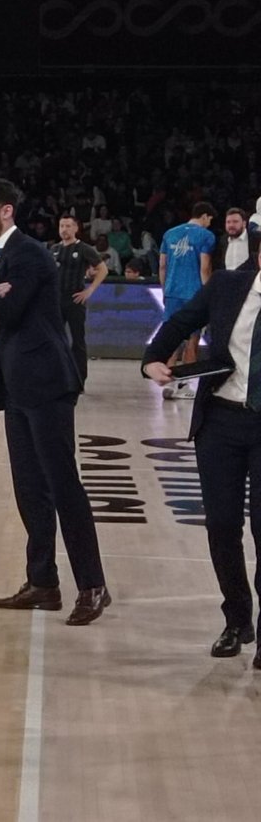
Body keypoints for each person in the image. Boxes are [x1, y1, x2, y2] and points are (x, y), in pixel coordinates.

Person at [0, 177, 108, 626]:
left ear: (5, 212)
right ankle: (43, 582)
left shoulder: (28, 254)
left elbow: (9, 312)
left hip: (46, 385)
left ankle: (93, 585)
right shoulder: (0, 257)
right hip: (17, 385)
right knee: (29, 488)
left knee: (63, 486)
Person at [142, 245, 261, 663]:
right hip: (222, 422)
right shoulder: (227, 285)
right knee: (222, 525)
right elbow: (181, 322)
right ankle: (236, 619)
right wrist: (152, 359)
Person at [159, 202, 216, 397]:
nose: (209, 224)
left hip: (172, 292)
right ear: (205, 216)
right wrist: (207, 294)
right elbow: (205, 267)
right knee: (192, 341)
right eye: (210, 220)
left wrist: (165, 290)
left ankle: (168, 383)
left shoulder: (169, 234)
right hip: (194, 294)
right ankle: (185, 385)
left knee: (172, 339)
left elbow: (162, 266)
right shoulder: (206, 236)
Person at [51, 212, 107, 387]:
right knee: (55, 339)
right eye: (62, 226)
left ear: (76, 228)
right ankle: (57, 376)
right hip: (55, 300)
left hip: (75, 298)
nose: (64, 229)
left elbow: (102, 269)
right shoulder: (54, 249)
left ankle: (79, 379)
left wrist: (89, 290)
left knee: (78, 340)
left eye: (68, 226)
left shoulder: (83, 248)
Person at [216, 207, 260, 273]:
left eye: (235, 222)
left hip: (250, 280)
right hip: (228, 281)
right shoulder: (222, 241)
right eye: (228, 222)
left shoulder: (256, 238)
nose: (231, 225)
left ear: (244, 223)